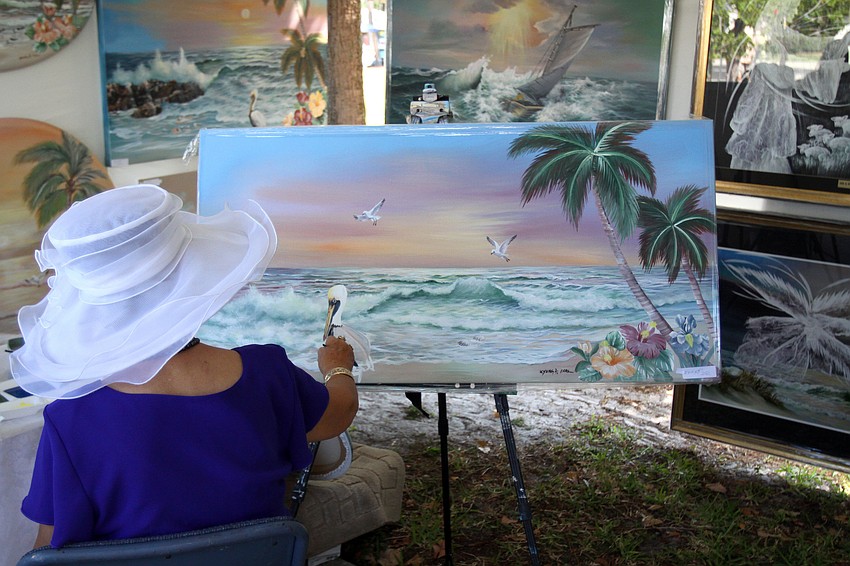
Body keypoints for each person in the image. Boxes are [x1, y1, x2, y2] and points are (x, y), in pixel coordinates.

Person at [10, 184, 359, 548]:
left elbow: (49, 549)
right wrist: (338, 368)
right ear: (192, 273)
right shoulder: (268, 373)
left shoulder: (70, 419)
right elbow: (339, 412)